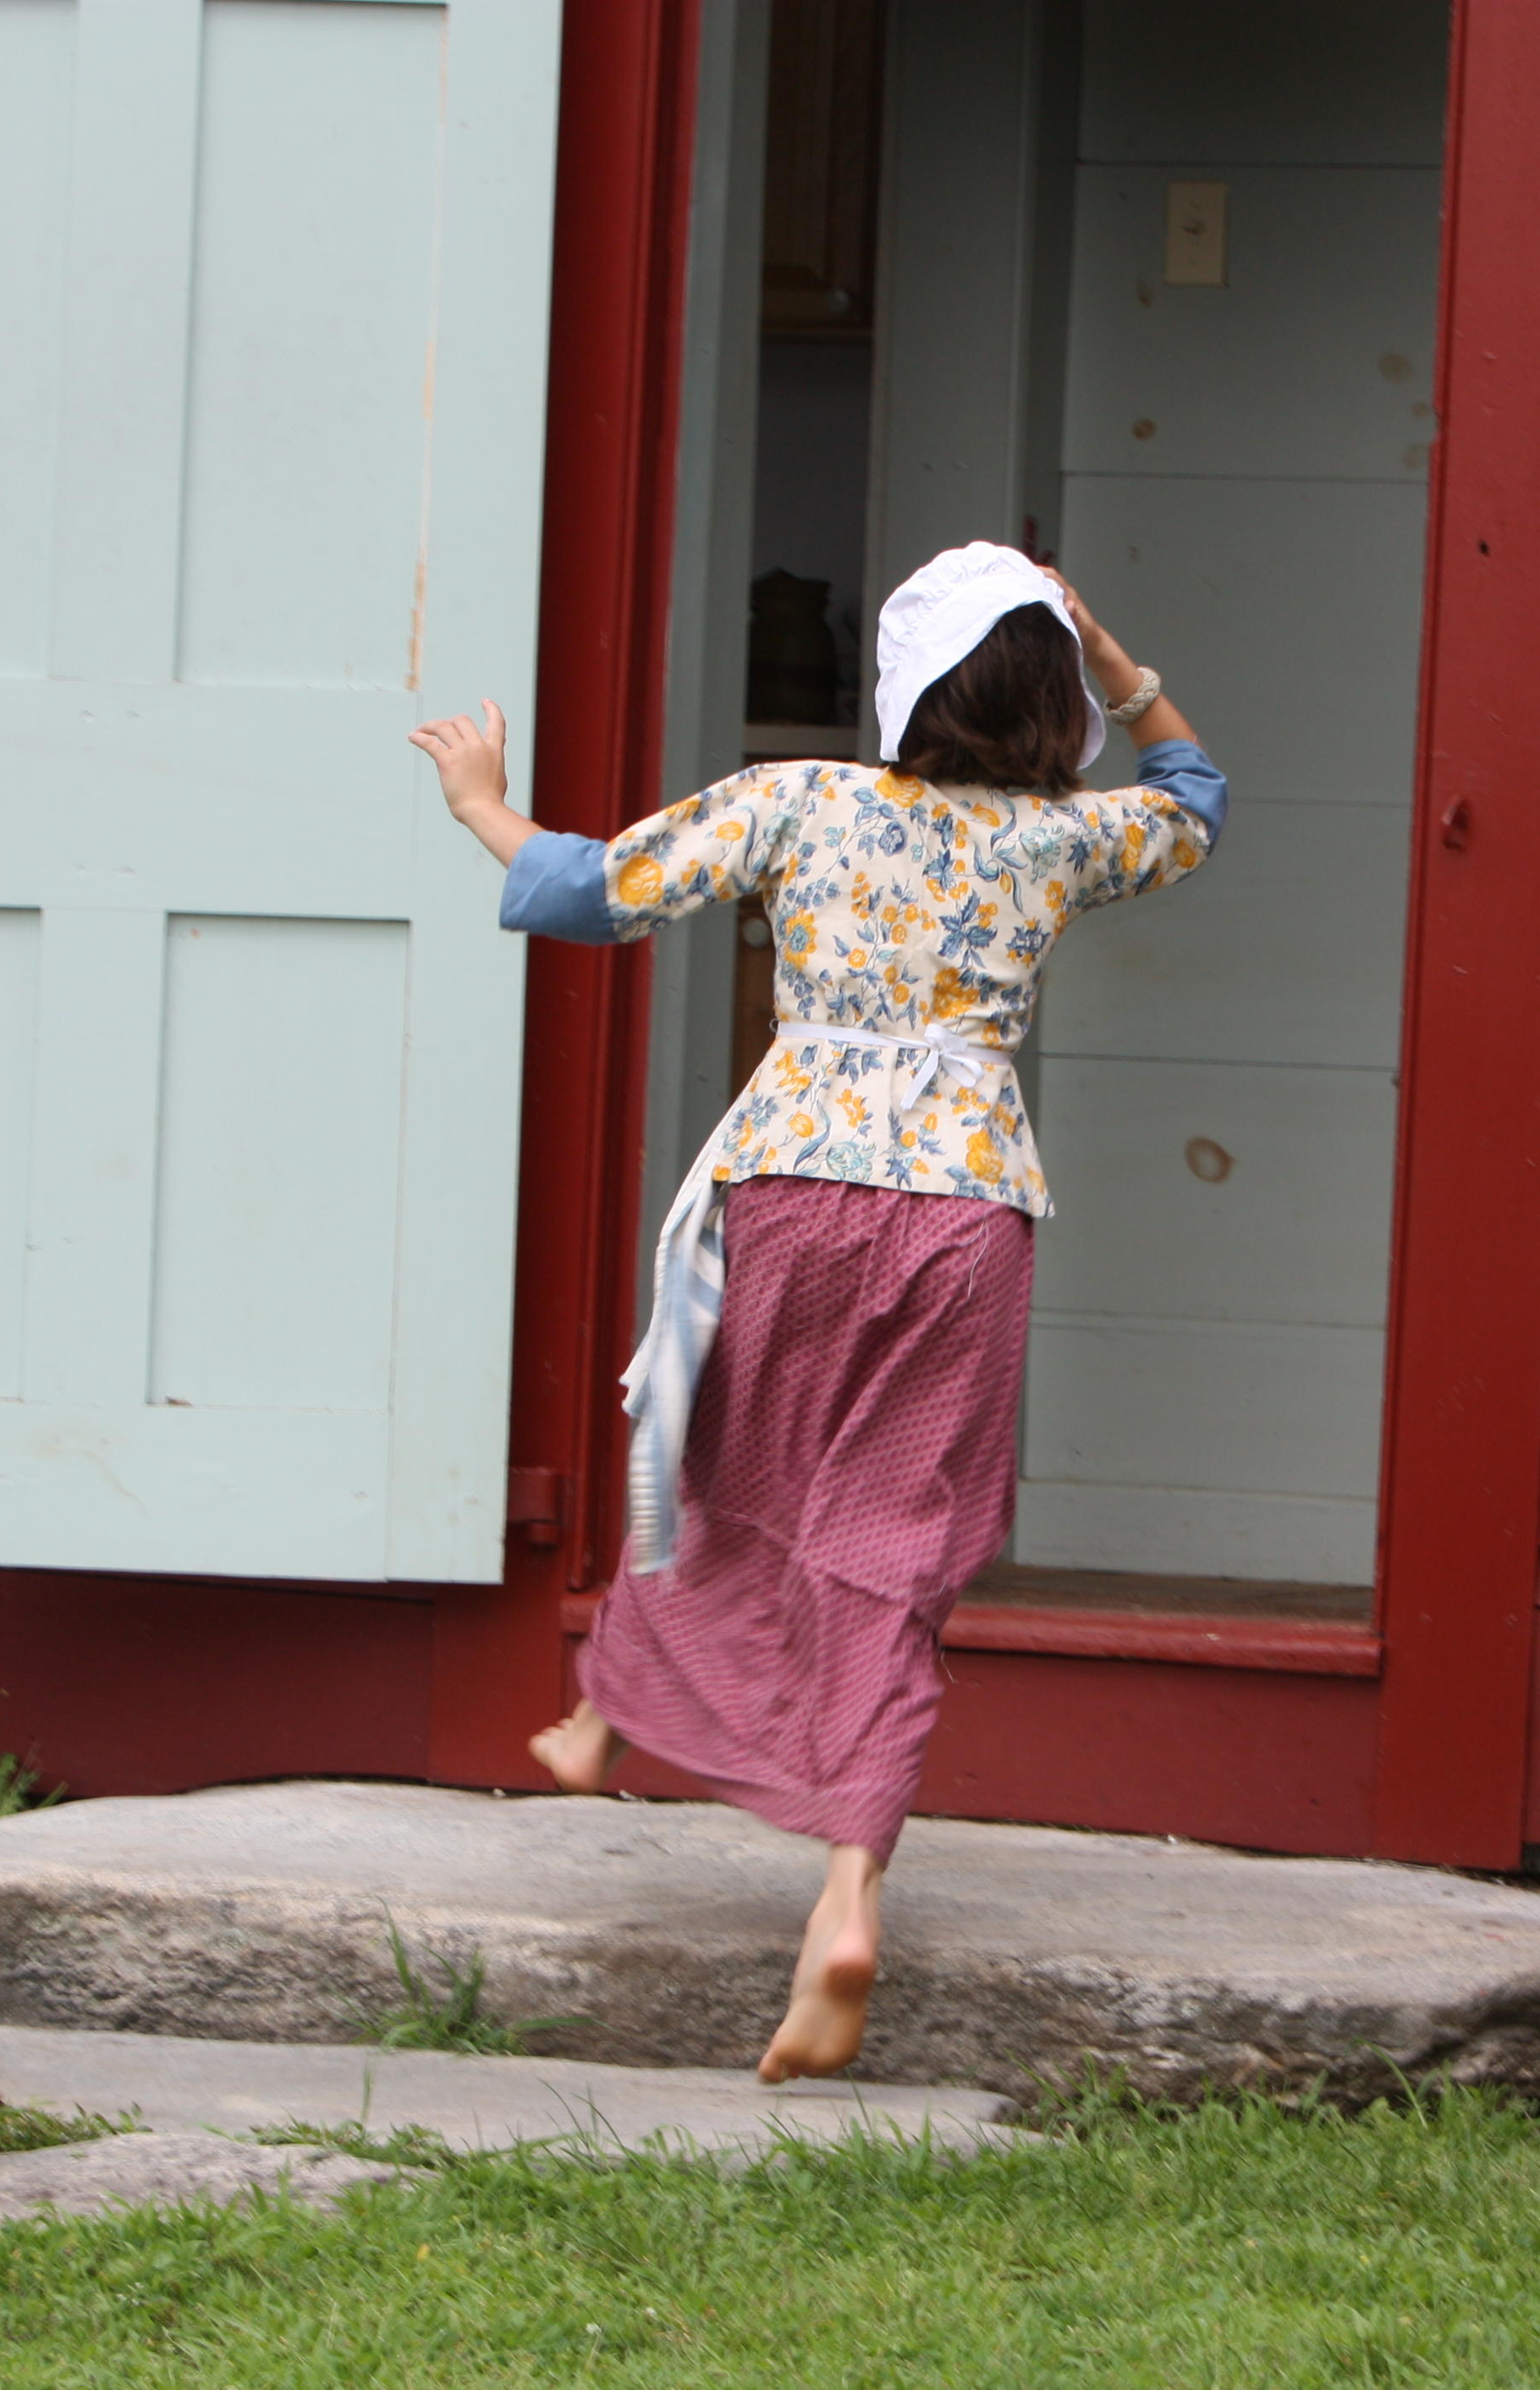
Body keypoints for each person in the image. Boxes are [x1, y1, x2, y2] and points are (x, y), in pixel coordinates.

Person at [408, 542, 1227, 2084]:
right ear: (1056, 701)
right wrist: (1121, 660)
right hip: (965, 1218)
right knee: (889, 1542)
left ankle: (607, 1719)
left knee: (721, 1464)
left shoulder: (803, 799)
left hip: (794, 1196)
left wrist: (476, 801)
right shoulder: (1064, 843)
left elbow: (590, 891)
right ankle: (845, 1889)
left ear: (901, 687)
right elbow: (1199, 798)